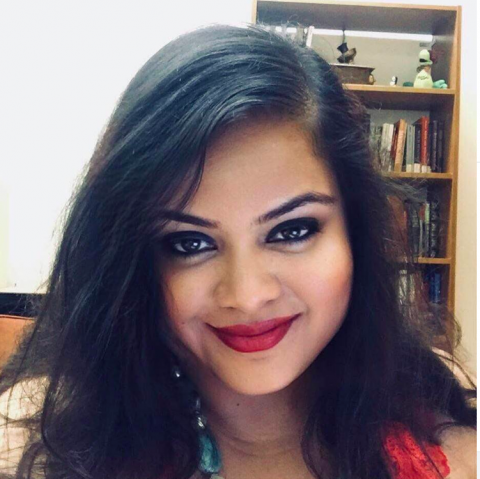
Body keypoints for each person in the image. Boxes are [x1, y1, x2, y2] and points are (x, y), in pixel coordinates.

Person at [0, 23, 476, 479]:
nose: (247, 296)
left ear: (356, 231)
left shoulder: (452, 438)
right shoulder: (36, 445)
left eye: (292, 231)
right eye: (190, 243)